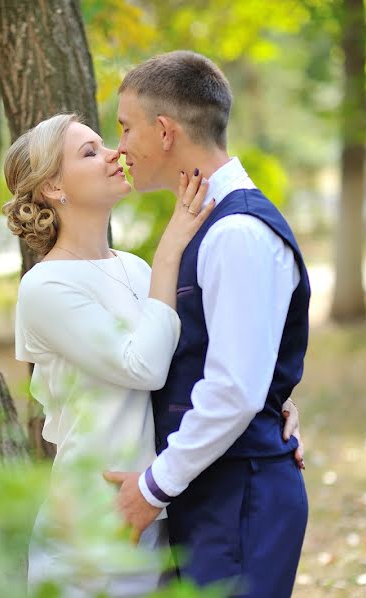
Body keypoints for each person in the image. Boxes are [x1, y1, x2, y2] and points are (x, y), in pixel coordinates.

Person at [4, 111, 301, 597]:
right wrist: (171, 250)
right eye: (90, 151)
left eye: (105, 143)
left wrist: (275, 407)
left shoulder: (138, 269)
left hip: (163, 505)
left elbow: (204, 360)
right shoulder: (45, 286)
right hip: (94, 520)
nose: (113, 154)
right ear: (54, 188)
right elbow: (142, 365)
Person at [104, 51, 310, 597]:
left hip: (239, 498)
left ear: (165, 131)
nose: (119, 146)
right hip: (212, 494)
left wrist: (152, 489)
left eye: (126, 128)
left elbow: (235, 388)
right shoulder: (205, 224)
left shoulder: (237, 232)